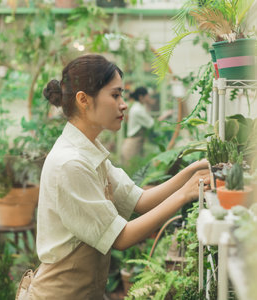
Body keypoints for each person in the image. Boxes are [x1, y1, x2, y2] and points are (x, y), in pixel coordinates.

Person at [17, 54, 210, 299]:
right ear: (84, 100)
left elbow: (139, 199)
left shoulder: (89, 151)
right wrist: (185, 193)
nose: (124, 104)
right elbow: (121, 237)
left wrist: (191, 171)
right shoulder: (71, 163)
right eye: (115, 95)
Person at [121, 87, 171, 166]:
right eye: (148, 96)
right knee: (131, 169)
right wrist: (165, 115)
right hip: (132, 145)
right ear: (141, 97)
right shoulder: (138, 110)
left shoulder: (139, 107)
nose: (149, 98)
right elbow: (152, 124)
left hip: (135, 143)